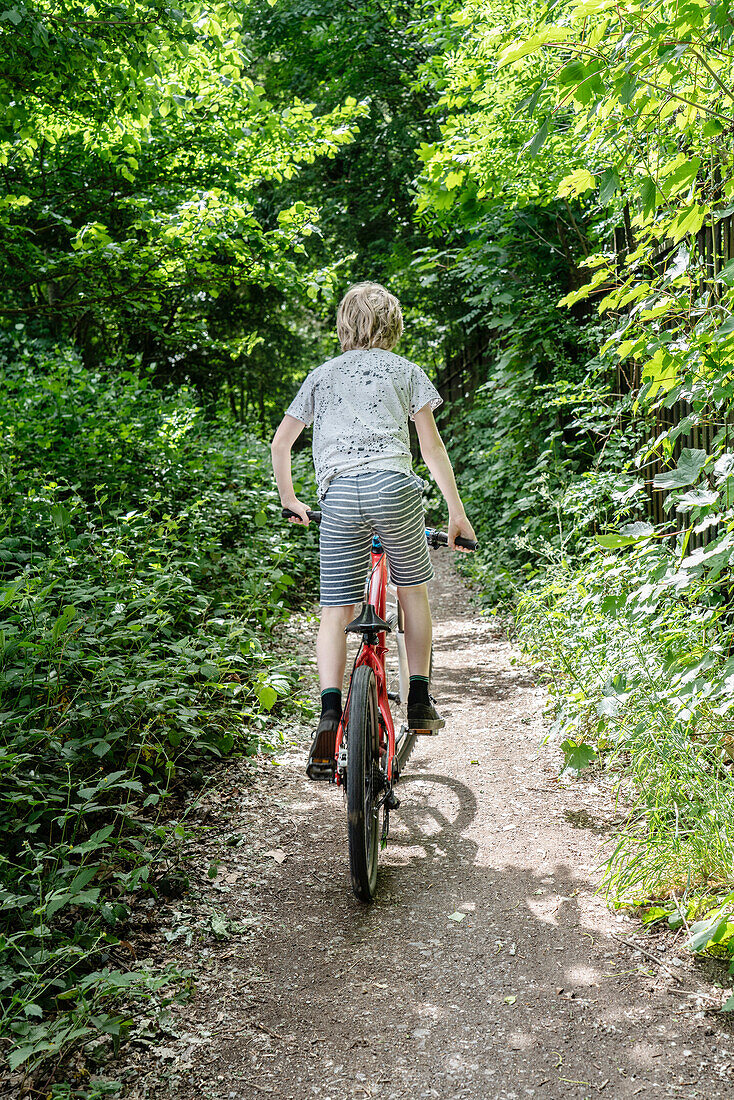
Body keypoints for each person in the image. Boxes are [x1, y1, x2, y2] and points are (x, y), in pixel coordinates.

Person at [270, 281, 476, 780]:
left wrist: (291, 501)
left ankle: (327, 716)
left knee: (335, 610)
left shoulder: (320, 376)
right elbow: (431, 450)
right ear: (393, 324)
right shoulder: (406, 372)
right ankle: (421, 698)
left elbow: (281, 444)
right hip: (395, 488)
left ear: (344, 325)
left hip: (339, 496)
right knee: (412, 591)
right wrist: (455, 512)